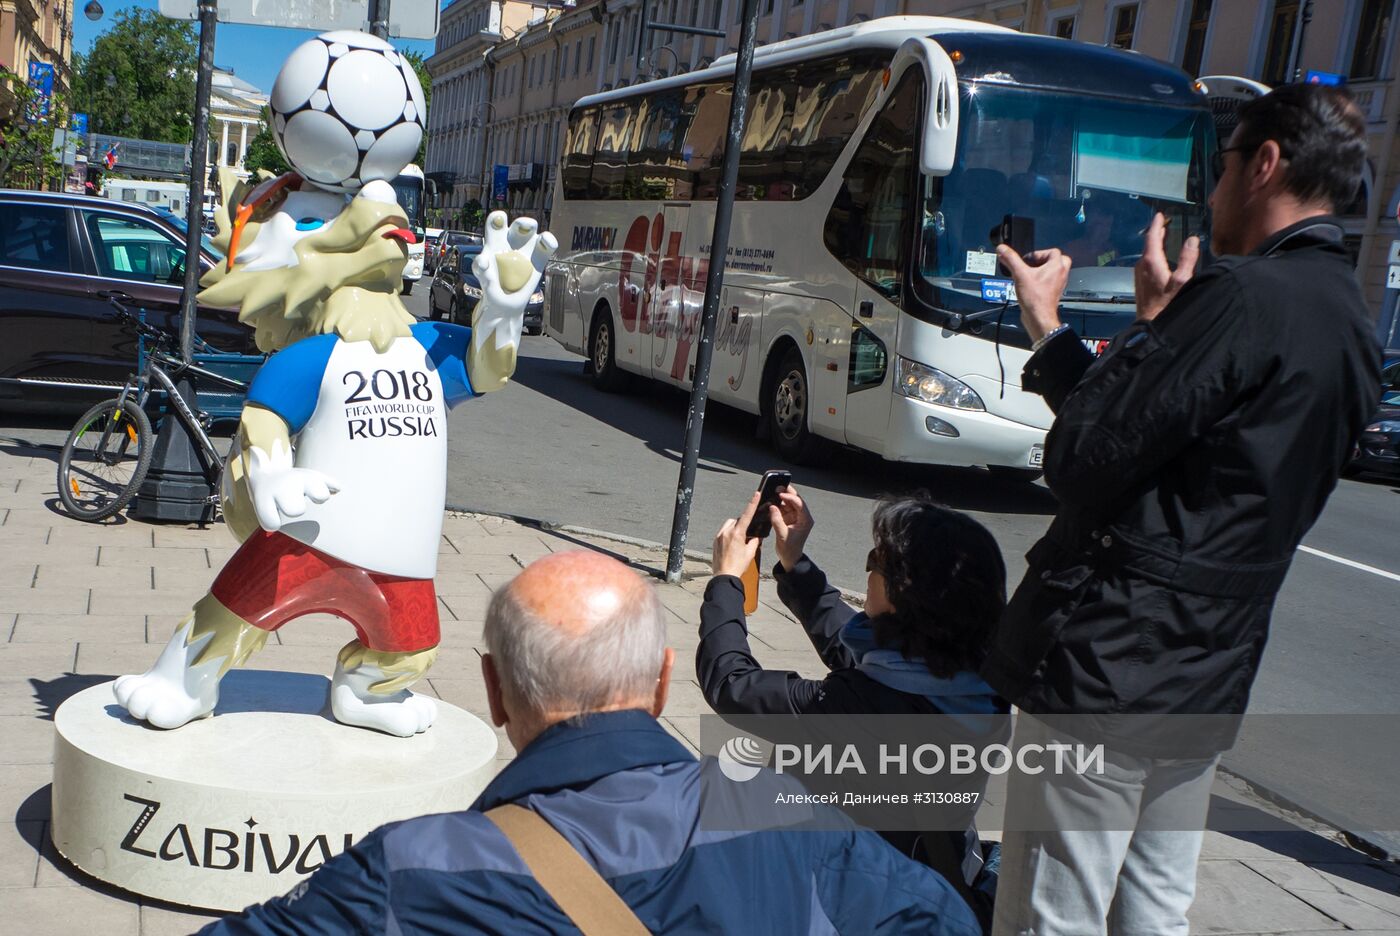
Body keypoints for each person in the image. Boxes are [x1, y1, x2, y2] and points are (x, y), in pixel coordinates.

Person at [984, 84, 1382, 936]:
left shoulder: (1239, 297)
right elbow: (1190, 468)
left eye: (1227, 163)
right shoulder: (1353, 323)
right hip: (1208, 675)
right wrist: (1088, 340)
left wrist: (1146, 328)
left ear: (1266, 164)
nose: (1213, 189)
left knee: (1051, 916)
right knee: (1154, 912)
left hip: (1112, 665)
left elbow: (1084, 460)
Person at [203, 550, 981, 935]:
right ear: (661, 682)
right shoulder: (793, 815)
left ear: (495, 692)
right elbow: (944, 921)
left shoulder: (408, 869)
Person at [699, 488, 1010, 929]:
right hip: (934, 869)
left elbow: (731, 684)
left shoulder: (855, 706)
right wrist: (795, 563)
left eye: (875, 562)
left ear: (904, 596)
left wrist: (725, 581)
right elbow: (858, 650)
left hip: (857, 896)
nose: (868, 571)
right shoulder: (979, 681)